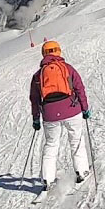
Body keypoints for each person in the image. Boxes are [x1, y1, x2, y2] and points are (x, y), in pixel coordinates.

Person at [29, 40, 91, 192]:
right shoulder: (68, 69)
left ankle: (47, 179)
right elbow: (79, 88)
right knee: (76, 140)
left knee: (51, 145)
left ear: (43, 53)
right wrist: (85, 108)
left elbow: (34, 99)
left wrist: (36, 118)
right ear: (58, 51)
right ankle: (81, 171)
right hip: (72, 110)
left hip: (50, 115)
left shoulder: (38, 76)